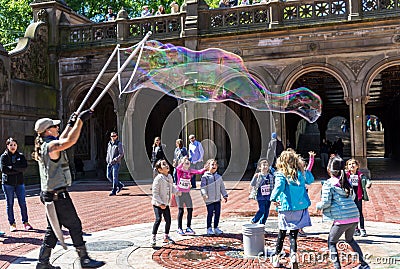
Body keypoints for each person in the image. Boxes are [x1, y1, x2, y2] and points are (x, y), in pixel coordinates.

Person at [32, 111, 105, 269]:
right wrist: (80, 122)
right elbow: (70, 141)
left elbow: (62, 138)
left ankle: (42, 263)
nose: (58, 127)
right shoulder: (51, 146)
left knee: (53, 229)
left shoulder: (46, 144)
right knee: (74, 225)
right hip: (58, 195)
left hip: (50, 194)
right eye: (55, 126)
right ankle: (84, 259)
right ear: (48, 130)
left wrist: (71, 123)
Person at [316, 156, 371, 269]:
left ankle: (337, 267)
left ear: (329, 169)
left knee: (331, 242)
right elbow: (354, 196)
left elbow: (325, 202)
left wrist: (318, 206)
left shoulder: (328, 183)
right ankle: (364, 264)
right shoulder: (347, 181)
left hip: (341, 219)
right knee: (350, 239)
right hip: (354, 216)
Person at [269, 149, 314, 269]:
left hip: (285, 207)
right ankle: (293, 256)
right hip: (300, 207)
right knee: (293, 234)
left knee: (282, 233)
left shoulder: (281, 174)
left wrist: (272, 198)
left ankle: (276, 258)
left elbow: (279, 187)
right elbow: (311, 180)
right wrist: (305, 168)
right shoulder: (300, 173)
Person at [1, 137, 32, 232]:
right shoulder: (4, 157)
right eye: (11, 145)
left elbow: (24, 168)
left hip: (19, 183)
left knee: (22, 203)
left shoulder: (21, 156)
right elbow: (4, 170)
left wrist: (12, 168)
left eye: (14, 145)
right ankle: (12, 224)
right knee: (9, 204)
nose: (13, 147)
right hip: (7, 184)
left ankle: (26, 222)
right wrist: (17, 169)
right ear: (7, 146)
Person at [151, 159, 181, 246]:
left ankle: (166, 236)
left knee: (168, 220)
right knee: (158, 219)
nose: (167, 165)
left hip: (166, 203)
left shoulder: (169, 177)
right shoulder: (158, 179)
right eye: (164, 164)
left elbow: (172, 187)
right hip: (157, 204)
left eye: (166, 163)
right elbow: (155, 193)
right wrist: (160, 204)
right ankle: (153, 236)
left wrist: (177, 191)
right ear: (160, 170)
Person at [175, 156, 206, 235]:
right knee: (181, 211)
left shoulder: (190, 171)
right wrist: (182, 161)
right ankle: (179, 228)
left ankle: (188, 227)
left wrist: (205, 168)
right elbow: (177, 168)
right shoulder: (180, 171)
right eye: (185, 161)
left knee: (190, 209)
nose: (187, 161)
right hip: (180, 193)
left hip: (187, 193)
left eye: (188, 160)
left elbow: (199, 172)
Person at [200, 159, 228, 235]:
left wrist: (225, 195)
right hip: (209, 200)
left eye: (215, 164)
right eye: (212, 164)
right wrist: (204, 194)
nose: (214, 166)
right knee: (210, 214)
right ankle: (209, 228)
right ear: (208, 166)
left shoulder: (219, 177)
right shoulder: (205, 177)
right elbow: (203, 187)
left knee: (217, 213)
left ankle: (216, 227)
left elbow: (222, 187)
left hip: (217, 199)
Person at [346, 158, 372, 237]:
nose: (352, 166)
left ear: (357, 166)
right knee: (351, 213)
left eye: (353, 164)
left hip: (358, 196)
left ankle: (362, 228)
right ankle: (355, 229)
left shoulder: (360, 175)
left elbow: (366, 180)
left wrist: (368, 184)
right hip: (349, 197)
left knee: (359, 212)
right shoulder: (346, 175)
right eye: (350, 164)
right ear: (347, 167)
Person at [248, 158, 274, 226]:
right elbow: (252, 184)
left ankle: (262, 225)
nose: (265, 167)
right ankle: (254, 220)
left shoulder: (271, 176)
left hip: (268, 197)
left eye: (267, 165)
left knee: (266, 213)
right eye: (263, 165)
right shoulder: (257, 176)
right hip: (260, 196)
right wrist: (250, 192)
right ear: (260, 167)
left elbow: (273, 186)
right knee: (262, 210)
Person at [106, 131, 125, 196]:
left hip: (116, 163)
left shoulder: (119, 144)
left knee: (114, 177)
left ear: (116, 136)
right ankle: (119, 185)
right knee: (108, 176)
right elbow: (108, 152)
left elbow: (121, 154)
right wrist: (107, 159)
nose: (113, 137)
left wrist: (115, 159)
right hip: (109, 162)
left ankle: (114, 191)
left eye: (114, 136)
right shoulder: (109, 143)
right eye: (112, 136)